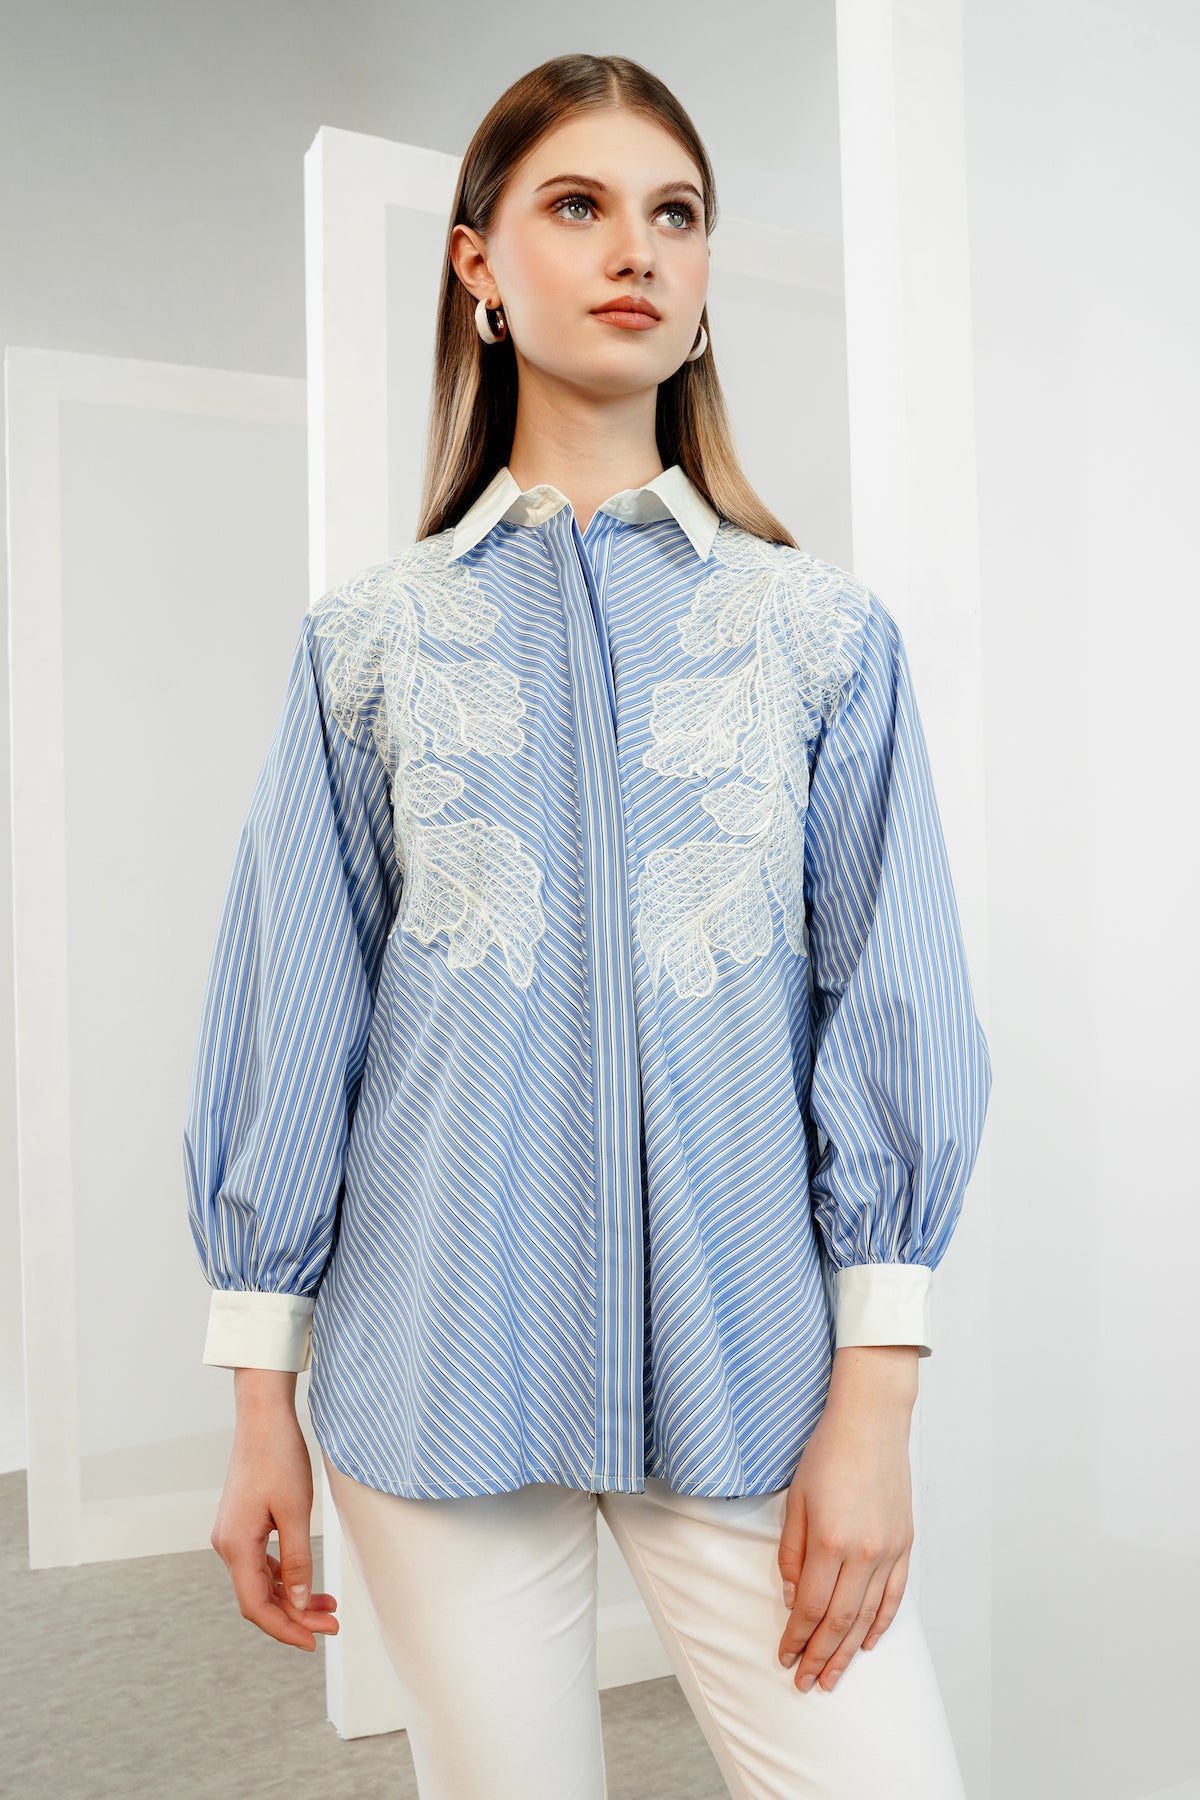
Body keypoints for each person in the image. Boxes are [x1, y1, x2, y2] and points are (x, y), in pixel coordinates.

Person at [184, 52, 992, 1800]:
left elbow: (897, 1012)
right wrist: (259, 1402)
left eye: (675, 214)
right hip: (434, 1360)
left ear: (702, 280)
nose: (638, 249)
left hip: (753, 1371)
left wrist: (877, 1403)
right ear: (479, 264)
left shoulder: (820, 637)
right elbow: (293, 1026)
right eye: (579, 205)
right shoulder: (369, 643)